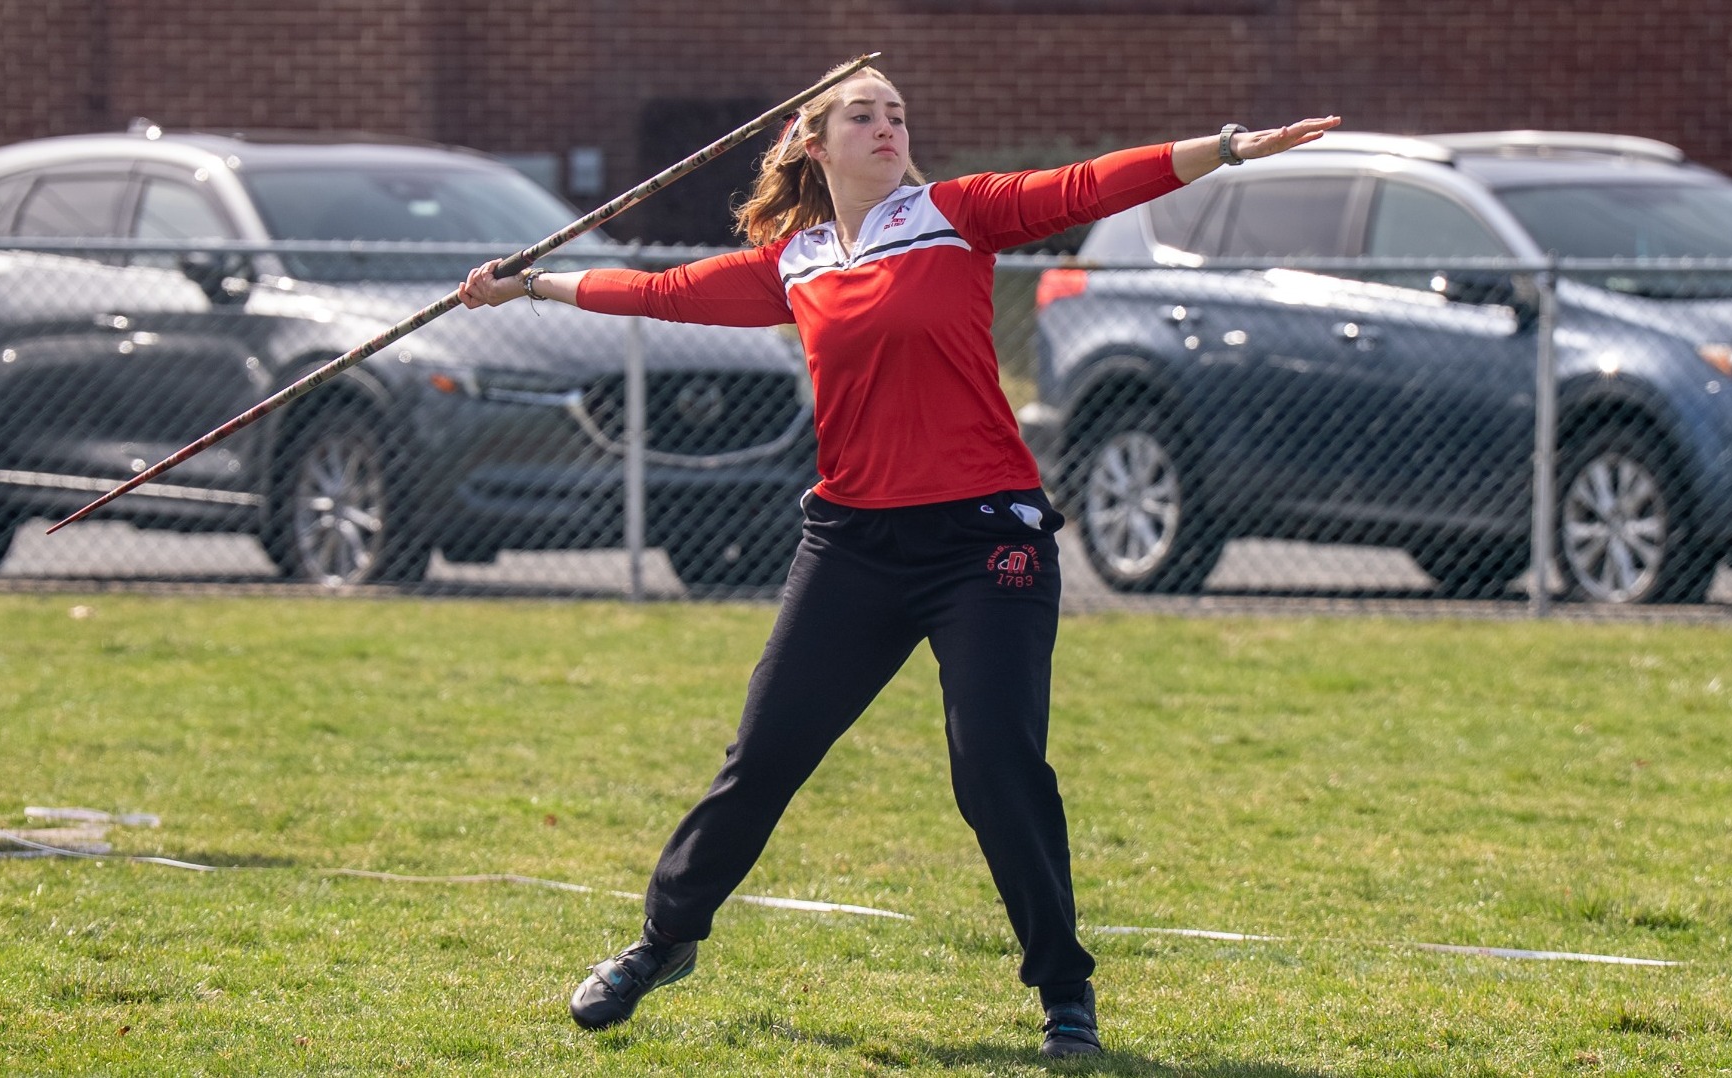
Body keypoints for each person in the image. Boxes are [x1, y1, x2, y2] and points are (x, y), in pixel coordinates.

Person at [459, 60, 1339, 1059]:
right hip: (853, 546)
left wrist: (1222, 149)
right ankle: (662, 942)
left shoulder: (956, 215)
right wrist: (530, 284)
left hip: (985, 540)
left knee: (994, 766)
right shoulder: (795, 264)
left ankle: (1064, 991)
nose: (886, 127)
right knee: (763, 758)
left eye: (896, 115)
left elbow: (1086, 186)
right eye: (862, 116)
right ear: (811, 142)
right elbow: (661, 292)